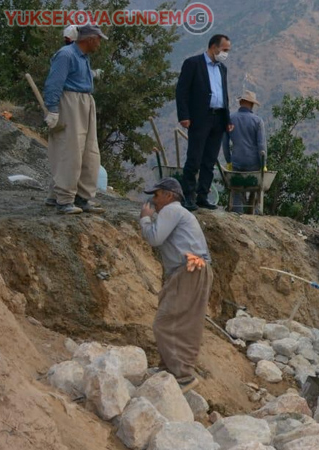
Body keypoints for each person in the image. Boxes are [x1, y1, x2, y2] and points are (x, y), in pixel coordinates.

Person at [139, 177, 213, 392]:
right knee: (183, 323)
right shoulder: (177, 213)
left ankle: (182, 375)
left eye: (156, 195)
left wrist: (145, 219)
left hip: (189, 270)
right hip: (191, 269)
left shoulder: (171, 210)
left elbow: (155, 238)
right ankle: (170, 369)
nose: (154, 200)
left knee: (165, 321)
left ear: (169, 195)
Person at [43, 24, 106, 215]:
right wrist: (52, 110)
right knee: (69, 150)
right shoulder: (66, 55)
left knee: (89, 152)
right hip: (70, 102)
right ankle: (64, 199)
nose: (100, 43)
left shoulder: (83, 57)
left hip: (85, 102)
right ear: (89, 39)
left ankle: (82, 196)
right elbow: (54, 83)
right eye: (98, 39)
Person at [175, 34, 233, 211]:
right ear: (214, 47)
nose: (226, 54)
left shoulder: (222, 68)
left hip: (218, 118)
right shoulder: (193, 64)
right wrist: (184, 116)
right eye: (224, 50)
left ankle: (203, 196)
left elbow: (224, 95)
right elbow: (182, 91)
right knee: (194, 158)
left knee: (210, 160)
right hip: (200, 117)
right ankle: (188, 196)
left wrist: (227, 118)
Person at [222, 90, 266, 213]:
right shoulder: (257, 121)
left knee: (236, 190)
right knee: (257, 188)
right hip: (254, 164)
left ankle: (237, 214)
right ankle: (256, 214)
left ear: (240, 102)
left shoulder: (230, 119)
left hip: (237, 162)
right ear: (252, 105)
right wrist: (263, 164)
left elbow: (225, 144)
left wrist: (229, 161)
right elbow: (261, 146)